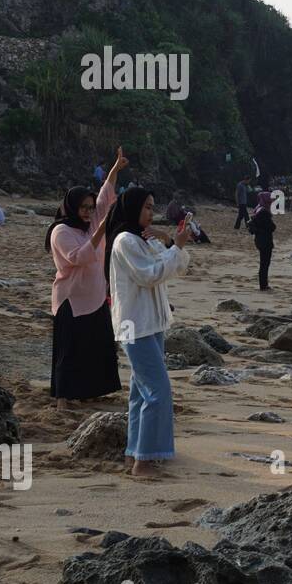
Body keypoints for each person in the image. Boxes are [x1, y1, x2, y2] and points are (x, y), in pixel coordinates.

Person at [107, 186, 191, 477]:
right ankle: (144, 460)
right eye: (146, 207)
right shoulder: (125, 241)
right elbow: (150, 275)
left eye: (153, 207)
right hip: (134, 325)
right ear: (132, 208)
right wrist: (175, 248)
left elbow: (179, 268)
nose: (150, 212)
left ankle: (135, 454)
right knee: (158, 389)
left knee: (141, 393)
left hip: (153, 323)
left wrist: (170, 241)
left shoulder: (145, 239)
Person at [47, 147, 128, 411]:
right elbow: (79, 257)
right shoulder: (61, 231)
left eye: (90, 208)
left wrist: (115, 169)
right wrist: (102, 227)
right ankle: (62, 398)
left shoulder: (92, 223)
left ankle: (88, 392)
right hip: (70, 298)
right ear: (72, 206)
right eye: (83, 207)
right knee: (69, 350)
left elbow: (105, 198)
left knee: (96, 347)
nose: (88, 212)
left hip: (94, 296)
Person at [248, 190, 276, 290]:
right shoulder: (264, 211)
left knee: (263, 263)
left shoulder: (258, 209)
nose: (272, 201)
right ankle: (263, 285)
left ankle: (263, 284)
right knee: (265, 263)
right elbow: (272, 227)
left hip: (259, 239)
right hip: (265, 240)